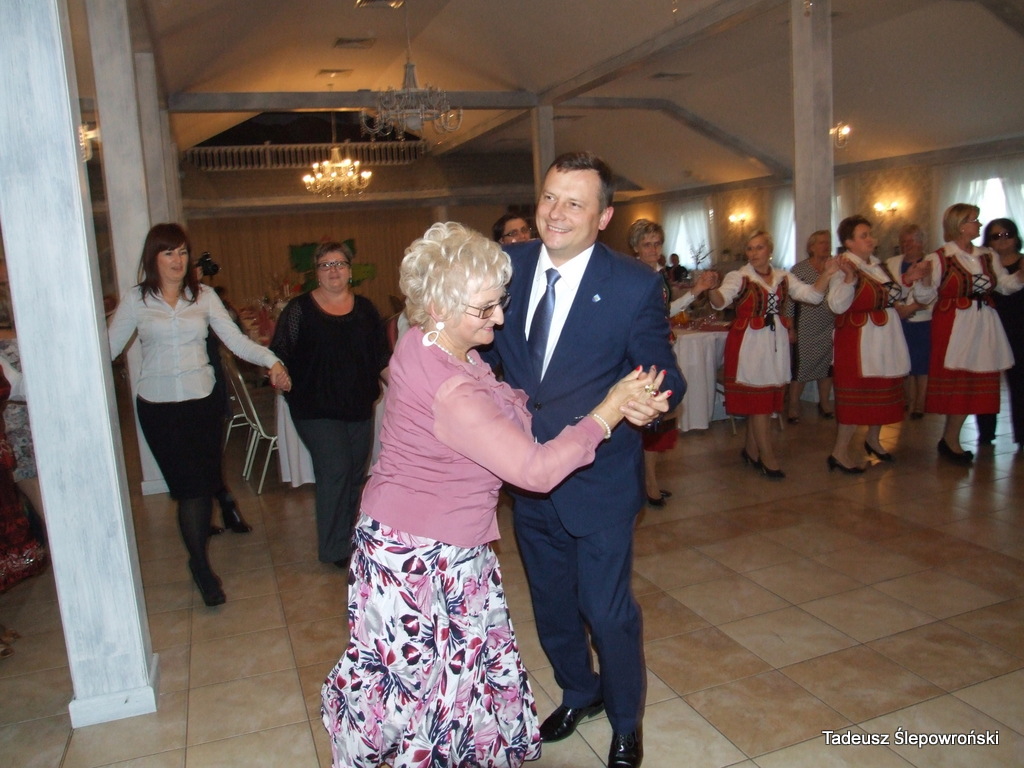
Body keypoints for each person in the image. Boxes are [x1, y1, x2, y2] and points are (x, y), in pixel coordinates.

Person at [320, 221, 668, 768]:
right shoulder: (452, 389)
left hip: (418, 539)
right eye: (484, 309)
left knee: (443, 680)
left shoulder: (426, 343)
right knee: (430, 693)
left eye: (499, 303)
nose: (500, 319)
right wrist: (607, 410)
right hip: (423, 557)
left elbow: (507, 404)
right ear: (438, 306)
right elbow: (534, 471)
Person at [485, 151, 684, 768]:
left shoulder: (633, 284)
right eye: (549, 197)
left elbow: (661, 368)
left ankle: (625, 722)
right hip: (529, 476)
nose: (556, 213)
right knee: (551, 605)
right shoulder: (508, 266)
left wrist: (654, 399)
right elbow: (481, 348)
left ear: (603, 217)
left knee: (606, 610)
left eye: (575, 202)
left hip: (599, 480)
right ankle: (580, 691)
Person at [107, 223, 290, 606]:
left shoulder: (203, 296)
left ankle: (200, 565)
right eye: (168, 253)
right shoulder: (137, 300)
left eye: (182, 252)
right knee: (187, 489)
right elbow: (106, 349)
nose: (178, 260)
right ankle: (199, 562)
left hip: (202, 403)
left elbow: (235, 340)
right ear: (153, 258)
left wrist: (271, 360)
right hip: (158, 409)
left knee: (200, 487)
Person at [270, 242, 390, 568]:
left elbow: (381, 357)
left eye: (339, 264)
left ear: (350, 271)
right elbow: (278, 353)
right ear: (316, 273)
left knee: (354, 474)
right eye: (326, 265)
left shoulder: (365, 310)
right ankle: (335, 549)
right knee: (335, 470)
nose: (333, 270)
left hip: (357, 405)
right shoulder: (299, 310)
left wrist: (405, 388)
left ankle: (349, 538)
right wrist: (277, 371)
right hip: (314, 407)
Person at [709, 230, 837, 478]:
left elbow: (812, 295)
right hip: (749, 343)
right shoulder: (739, 277)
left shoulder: (783, 276)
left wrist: (828, 274)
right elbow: (720, 301)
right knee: (759, 402)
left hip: (774, 341)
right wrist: (712, 288)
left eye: (759, 247)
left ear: (770, 251)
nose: (753, 253)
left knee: (765, 399)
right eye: (750, 248)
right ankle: (767, 456)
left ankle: (751, 450)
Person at [922, 205, 1024, 463]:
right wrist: (922, 280)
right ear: (959, 226)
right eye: (973, 220)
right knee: (958, 381)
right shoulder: (940, 257)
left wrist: (1020, 276)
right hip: (954, 324)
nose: (978, 224)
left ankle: (950, 439)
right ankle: (950, 439)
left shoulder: (987, 256)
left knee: (974, 382)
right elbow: (925, 296)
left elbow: (1004, 285)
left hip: (982, 323)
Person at [826, 216, 928, 472]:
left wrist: (907, 279)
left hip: (885, 335)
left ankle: (873, 439)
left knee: (883, 388)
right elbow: (836, 304)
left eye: (870, 234)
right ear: (849, 242)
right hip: (859, 339)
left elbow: (892, 295)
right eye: (864, 236)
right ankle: (839, 452)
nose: (871, 239)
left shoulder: (877, 265)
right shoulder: (843, 266)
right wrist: (849, 279)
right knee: (857, 394)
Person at [627, 218, 714, 504]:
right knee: (647, 417)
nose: (653, 249)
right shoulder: (632, 275)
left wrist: (696, 291)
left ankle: (648, 479)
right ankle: (647, 483)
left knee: (659, 417)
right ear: (636, 248)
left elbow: (667, 311)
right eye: (647, 244)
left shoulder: (659, 275)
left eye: (657, 244)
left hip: (661, 348)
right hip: (642, 354)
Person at [195, 269, 251, 535]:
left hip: (210, 382)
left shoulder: (205, 297)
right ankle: (220, 505)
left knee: (210, 452)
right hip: (184, 391)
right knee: (201, 456)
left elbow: (234, 334)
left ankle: (222, 505)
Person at [976, 218, 1024, 450]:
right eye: (996, 236)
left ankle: (1022, 435)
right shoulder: (984, 265)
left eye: (1007, 234)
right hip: (991, 328)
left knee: (1020, 382)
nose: (1003, 240)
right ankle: (986, 433)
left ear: (1015, 237)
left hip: (1020, 329)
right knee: (986, 381)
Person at [784, 230, 837, 423]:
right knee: (801, 368)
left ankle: (825, 403)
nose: (826, 246)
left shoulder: (835, 267)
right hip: (805, 326)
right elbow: (790, 300)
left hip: (830, 325)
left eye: (828, 242)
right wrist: (790, 327)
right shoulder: (799, 270)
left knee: (827, 367)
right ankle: (793, 406)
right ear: (811, 247)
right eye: (821, 242)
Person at [886, 224, 933, 419]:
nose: (906, 245)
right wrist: (899, 307)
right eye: (903, 242)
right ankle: (908, 400)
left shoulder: (932, 262)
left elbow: (934, 292)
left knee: (922, 365)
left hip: (923, 320)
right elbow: (888, 289)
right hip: (900, 320)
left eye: (910, 241)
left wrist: (911, 308)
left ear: (921, 243)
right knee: (905, 361)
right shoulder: (891, 263)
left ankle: (920, 404)